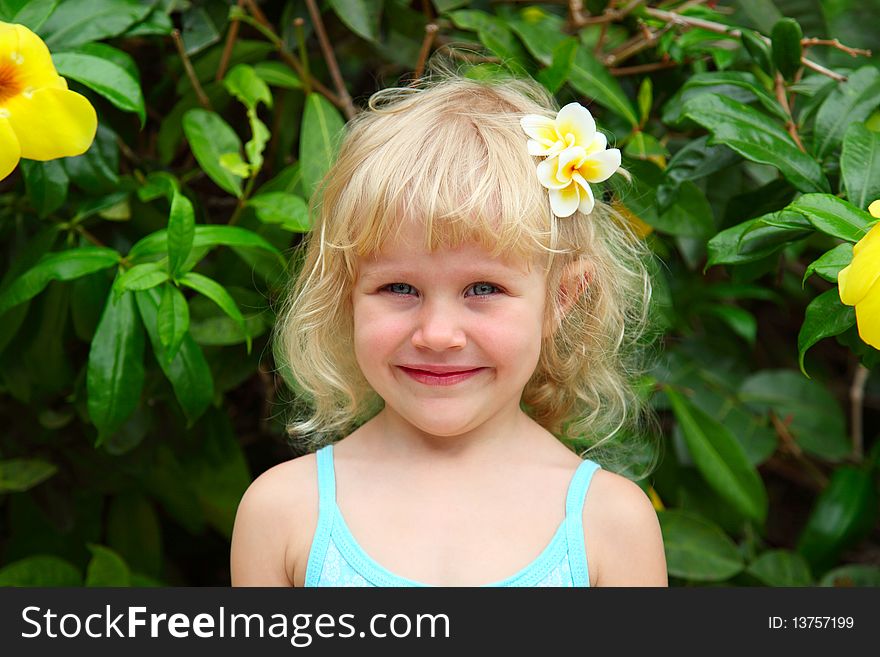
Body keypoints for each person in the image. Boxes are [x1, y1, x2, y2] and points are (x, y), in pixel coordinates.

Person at [230, 65, 667, 587]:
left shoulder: (610, 526)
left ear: (562, 298)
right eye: (399, 289)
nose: (437, 334)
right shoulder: (284, 515)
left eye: (483, 289)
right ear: (346, 294)